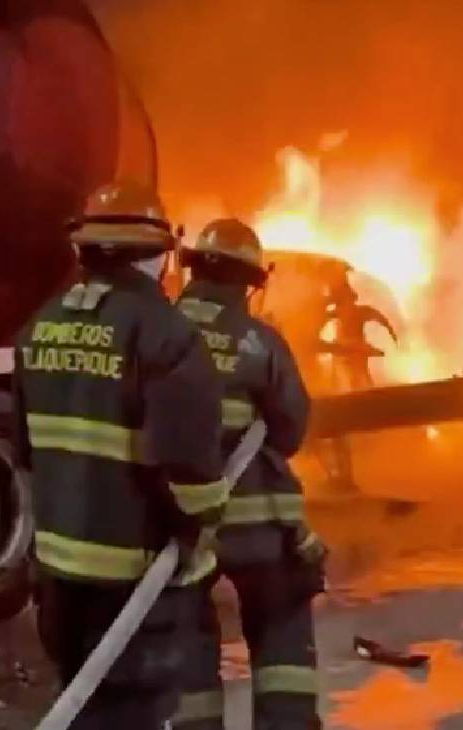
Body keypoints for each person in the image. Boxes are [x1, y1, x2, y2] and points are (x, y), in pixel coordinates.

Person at [12, 181, 228, 729]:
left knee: (85, 704)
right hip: (137, 578)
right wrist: (197, 528)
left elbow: (26, 448)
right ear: (159, 254)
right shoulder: (167, 335)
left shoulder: (38, 327)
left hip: (59, 575)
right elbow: (191, 471)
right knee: (129, 715)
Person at [173, 218, 326, 729]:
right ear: (250, 281)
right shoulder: (259, 342)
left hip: (184, 529)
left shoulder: (156, 333)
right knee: (282, 632)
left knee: (187, 638)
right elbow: (290, 431)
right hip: (263, 531)